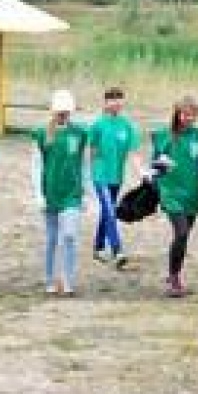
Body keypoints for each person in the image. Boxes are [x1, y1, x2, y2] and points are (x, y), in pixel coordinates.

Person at [147, 96, 198, 298]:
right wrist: (159, 168)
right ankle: (174, 278)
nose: (189, 118)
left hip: (192, 194)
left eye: (192, 115)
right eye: (185, 114)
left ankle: (175, 273)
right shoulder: (163, 135)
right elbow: (154, 165)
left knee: (182, 237)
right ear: (177, 114)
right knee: (181, 233)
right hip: (170, 193)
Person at [32, 90, 90, 296]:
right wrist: (39, 194)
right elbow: (37, 166)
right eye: (60, 111)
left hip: (72, 194)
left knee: (69, 236)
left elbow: (84, 165)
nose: (63, 114)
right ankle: (49, 278)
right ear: (53, 111)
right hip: (50, 193)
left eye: (66, 111)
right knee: (51, 238)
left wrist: (85, 192)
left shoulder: (80, 134)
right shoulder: (42, 134)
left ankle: (68, 280)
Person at [88, 87, 142, 269]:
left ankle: (98, 246)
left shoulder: (127, 126)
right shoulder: (97, 125)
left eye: (119, 99)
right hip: (100, 176)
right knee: (110, 211)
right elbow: (93, 153)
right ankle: (117, 250)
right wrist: (90, 178)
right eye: (112, 99)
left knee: (107, 211)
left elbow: (133, 153)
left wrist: (142, 172)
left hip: (116, 177)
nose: (116, 103)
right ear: (105, 103)